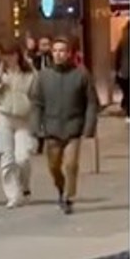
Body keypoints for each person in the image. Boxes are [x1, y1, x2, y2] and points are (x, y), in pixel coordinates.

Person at [35, 38, 99, 215]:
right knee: (54, 167)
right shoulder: (44, 76)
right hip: (51, 129)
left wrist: (89, 127)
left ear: (69, 53)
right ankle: (61, 188)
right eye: (55, 51)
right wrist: (37, 127)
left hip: (73, 128)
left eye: (62, 51)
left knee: (71, 165)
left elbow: (92, 103)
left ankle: (68, 197)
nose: (58, 54)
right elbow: (37, 103)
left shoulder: (81, 74)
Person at [0, 42, 40, 208]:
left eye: (13, 54)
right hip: (4, 118)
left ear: (18, 55)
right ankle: (13, 195)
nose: (10, 58)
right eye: (6, 55)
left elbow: (37, 95)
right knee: (7, 159)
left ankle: (24, 186)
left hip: (24, 119)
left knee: (23, 158)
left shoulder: (30, 73)